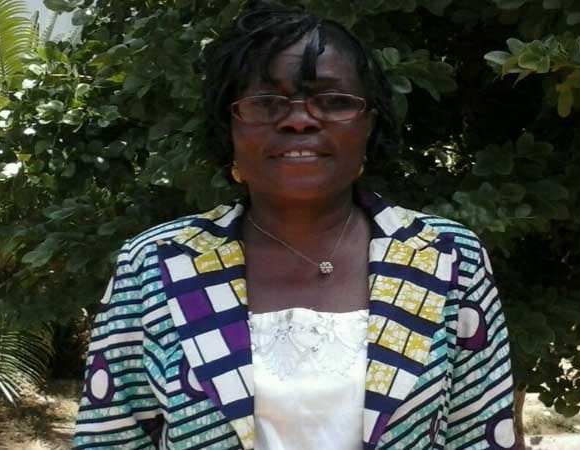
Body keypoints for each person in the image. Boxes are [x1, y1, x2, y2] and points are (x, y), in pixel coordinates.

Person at [72, 2, 516, 450]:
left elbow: (483, 437)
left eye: (332, 101)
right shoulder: (157, 264)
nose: (299, 119)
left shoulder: (447, 258)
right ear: (229, 129)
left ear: (369, 124)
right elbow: (111, 439)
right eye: (266, 103)